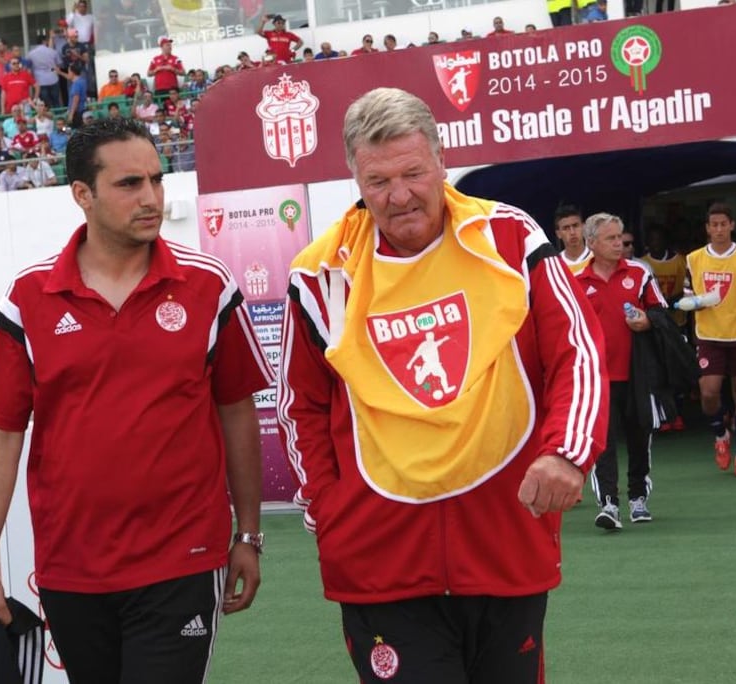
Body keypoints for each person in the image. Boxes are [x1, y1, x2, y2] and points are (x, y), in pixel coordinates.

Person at [276, 88, 607, 683]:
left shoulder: (507, 239)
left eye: (412, 173)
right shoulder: (320, 274)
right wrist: (329, 505)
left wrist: (566, 451)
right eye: (377, 181)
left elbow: (577, 351)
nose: (399, 195)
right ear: (354, 177)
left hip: (505, 541)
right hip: (380, 557)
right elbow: (299, 403)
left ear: (440, 161)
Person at [0, 118, 272, 682]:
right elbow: (1, 435)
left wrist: (247, 533)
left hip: (183, 561)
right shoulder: (28, 298)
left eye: (156, 179)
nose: (151, 198)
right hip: (70, 571)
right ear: (83, 194)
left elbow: (236, 412)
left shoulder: (208, 285)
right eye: (129, 184)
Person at [574, 214, 666, 530]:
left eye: (620, 237)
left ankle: (638, 497)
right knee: (602, 442)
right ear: (592, 244)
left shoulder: (640, 274)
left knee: (641, 437)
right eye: (611, 239)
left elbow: (662, 313)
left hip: (637, 373)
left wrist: (647, 320)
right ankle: (609, 504)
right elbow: (566, 330)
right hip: (597, 377)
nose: (619, 244)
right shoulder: (575, 281)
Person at [679, 203, 736, 477]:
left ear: (732, 225)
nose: (718, 229)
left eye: (723, 224)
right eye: (713, 225)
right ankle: (720, 434)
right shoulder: (694, 259)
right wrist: (697, 303)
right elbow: (687, 298)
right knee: (708, 393)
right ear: (707, 228)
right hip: (708, 335)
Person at [640, 226, 689, 431]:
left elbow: (688, 289)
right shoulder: (643, 264)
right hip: (656, 326)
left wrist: (670, 301)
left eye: (659, 239)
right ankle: (664, 415)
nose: (656, 243)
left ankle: (678, 413)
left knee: (677, 369)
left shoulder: (679, 261)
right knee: (659, 371)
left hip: (678, 323)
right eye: (652, 239)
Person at [554, 205, 592, 274]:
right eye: (566, 228)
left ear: (583, 227)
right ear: (558, 234)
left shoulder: (598, 257)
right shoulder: (555, 265)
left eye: (575, 226)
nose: (572, 232)